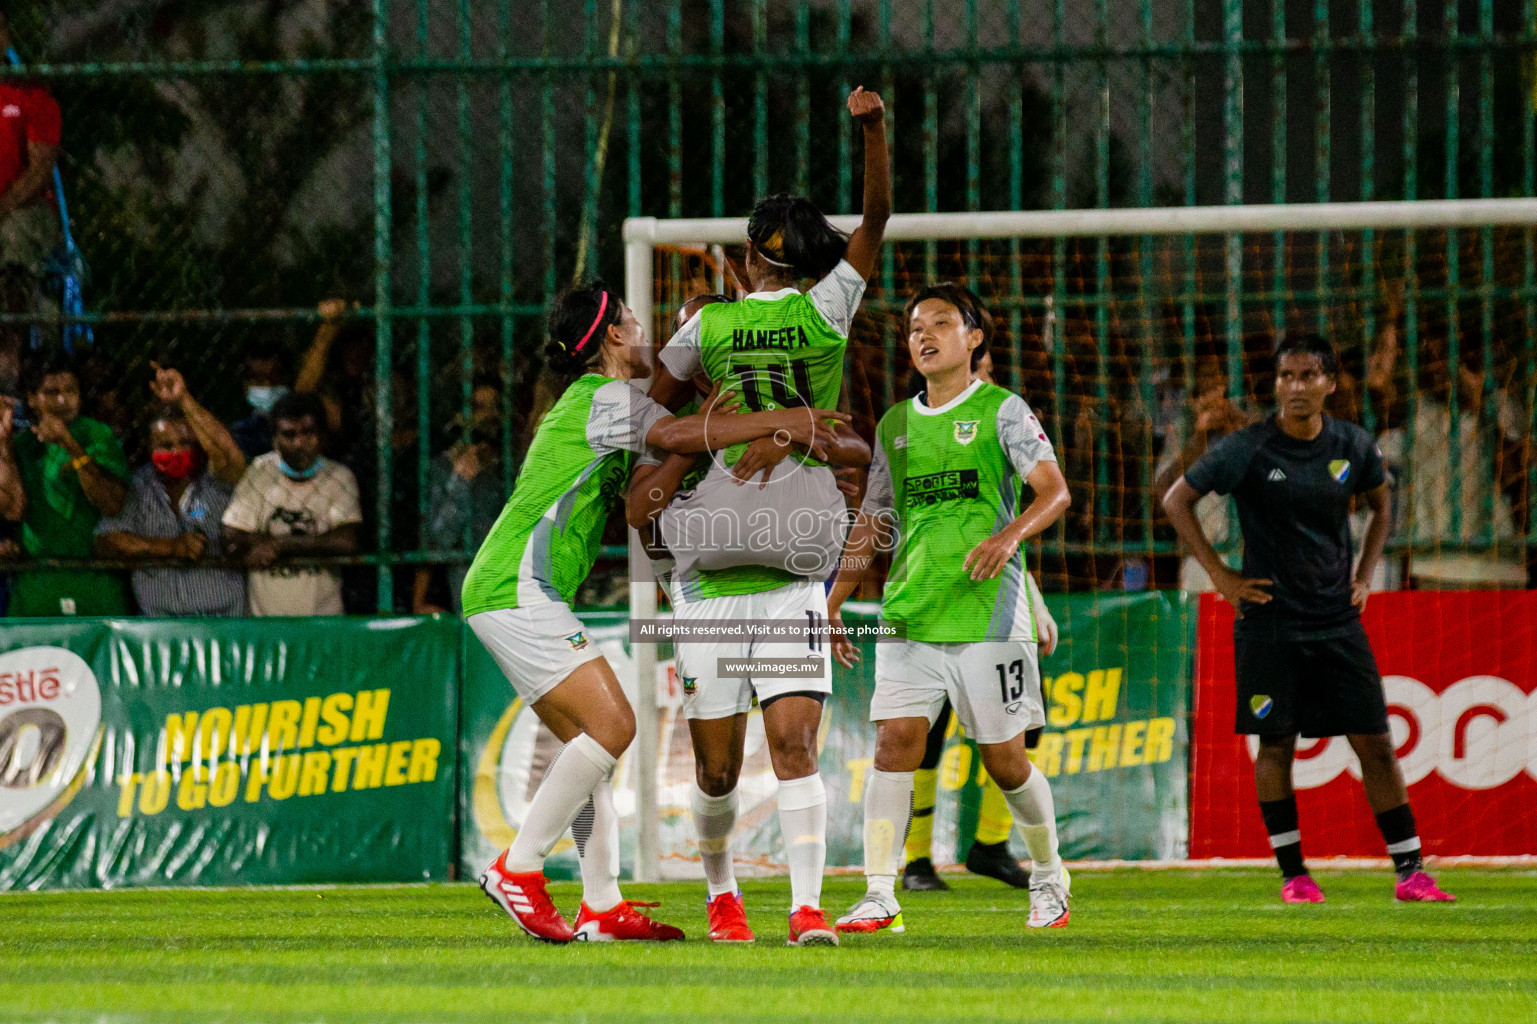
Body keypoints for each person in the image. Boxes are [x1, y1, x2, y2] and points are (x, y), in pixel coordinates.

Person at [468, 281, 846, 944]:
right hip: (517, 586)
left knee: (590, 746)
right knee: (612, 726)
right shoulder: (603, 397)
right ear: (613, 334)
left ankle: (602, 904)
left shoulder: (607, 402)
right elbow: (671, 438)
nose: (650, 333)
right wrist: (781, 422)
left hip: (512, 589)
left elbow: (670, 457)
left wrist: (747, 424)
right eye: (636, 320)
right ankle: (517, 866)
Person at [636, 86, 889, 948]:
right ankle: (722, 895)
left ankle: (806, 909)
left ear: (748, 253)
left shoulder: (707, 322)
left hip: (750, 566)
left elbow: (651, 416)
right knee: (734, 763)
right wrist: (873, 133)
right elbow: (879, 218)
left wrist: (700, 422)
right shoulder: (826, 309)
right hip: (742, 568)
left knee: (777, 747)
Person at [1162, 333, 1455, 905]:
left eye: (1307, 376)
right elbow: (1175, 498)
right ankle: (1294, 874)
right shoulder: (1248, 446)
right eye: (1286, 377)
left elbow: (1381, 504)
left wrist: (1366, 573)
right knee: (1276, 746)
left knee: (1375, 741)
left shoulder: (1352, 443)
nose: (1296, 387)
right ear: (1276, 386)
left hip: (1336, 620)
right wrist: (1222, 576)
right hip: (1269, 620)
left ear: (1330, 383)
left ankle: (1412, 872)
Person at [826, 283, 1074, 934]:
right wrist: (832, 603)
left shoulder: (1003, 411)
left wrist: (1006, 536)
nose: (923, 335)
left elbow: (1053, 493)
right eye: (913, 328)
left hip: (988, 614)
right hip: (908, 610)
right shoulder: (893, 425)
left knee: (1005, 760)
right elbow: (873, 519)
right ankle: (880, 893)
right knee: (892, 746)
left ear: (974, 339)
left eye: (941, 323)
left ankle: (1049, 877)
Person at [900, 581, 1057, 893]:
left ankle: (992, 845)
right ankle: (916, 861)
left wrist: (1036, 605)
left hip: (995, 616)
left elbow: (1007, 545)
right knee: (924, 734)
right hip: (931, 612)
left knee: (1026, 723)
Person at [93, 364, 246, 617]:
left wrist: (184, 399)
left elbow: (230, 455)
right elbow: (107, 542)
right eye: (165, 445)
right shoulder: (138, 487)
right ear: (149, 447)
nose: (175, 452)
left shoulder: (218, 479)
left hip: (222, 621)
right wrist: (170, 548)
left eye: (184, 443)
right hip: (159, 628)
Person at [0, 354, 131, 616]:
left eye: (70, 391)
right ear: (32, 398)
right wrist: (4, 444)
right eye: (51, 392)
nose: (62, 400)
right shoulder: (22, 445)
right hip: (38, 580)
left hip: (95, 579)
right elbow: (13, 509)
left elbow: (112, 503)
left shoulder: (98, 435)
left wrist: (69, 443)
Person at [221, 391, 362, 616]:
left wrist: (279, 545)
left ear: (322, 435)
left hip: (322, 620)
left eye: (308, 433)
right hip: (266, 621)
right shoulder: (260, 472)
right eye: (289, 434)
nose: (299, 443)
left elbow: (346, 541)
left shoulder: (339, 477)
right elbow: (231, 534)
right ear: (275, 439)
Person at [413, 381, 506, 615]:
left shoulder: (510, 465)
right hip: (467, 592)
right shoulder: (443, 467)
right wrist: (461, 481)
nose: (488, 415)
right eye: (478, 407)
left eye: (495, 407)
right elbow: (438, 539)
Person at [0, 6, 61, 280]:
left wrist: (3, 206)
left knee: (14, 233)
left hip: (21, 210)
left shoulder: (30, 94)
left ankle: (18, 315)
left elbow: (40, 172)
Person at [228, 343, 293, 460]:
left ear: (287, 379)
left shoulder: (303, 424)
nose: (268, 386)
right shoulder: (241, 432)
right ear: (246, 385)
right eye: (259, 380)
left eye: (274, 379)